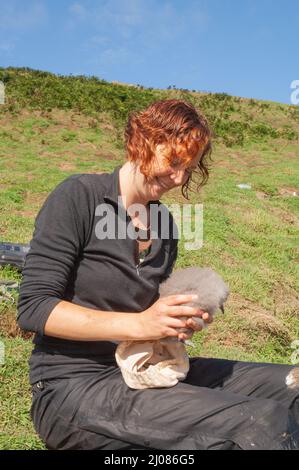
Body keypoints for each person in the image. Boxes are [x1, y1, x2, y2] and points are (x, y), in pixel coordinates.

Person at [17, 99, 299, 450]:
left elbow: (153, 317)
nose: (179, 178)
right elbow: (35, 309)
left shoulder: (165, 225)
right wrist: (141, 325)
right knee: (261, 423)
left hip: (148, 368)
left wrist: (180, 320)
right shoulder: (79, 197)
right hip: (73, 385)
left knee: (292, 388)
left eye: (190, 168)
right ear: (145, 141)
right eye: (175, 161)